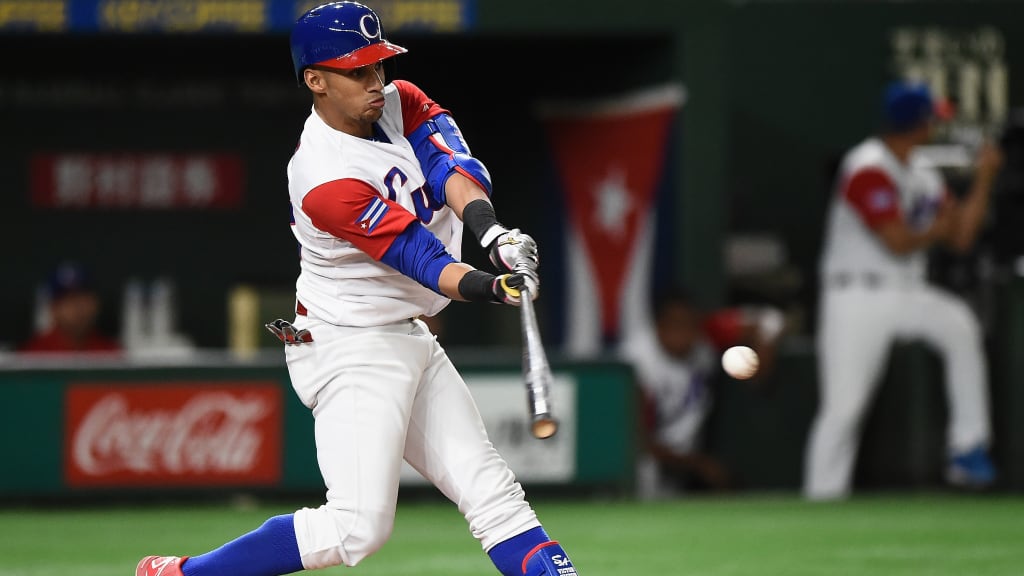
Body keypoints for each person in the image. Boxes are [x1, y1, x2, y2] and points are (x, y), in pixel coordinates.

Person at [135, 3, 576, 576]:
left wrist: (493, 234)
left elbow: (452, 170)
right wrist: (496, 286)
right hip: (348, 343)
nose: (375, 82)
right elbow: (421, 258)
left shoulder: (400, 101)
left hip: (405, 332)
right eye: (356, 71)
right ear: (315, 81)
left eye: (378, 65)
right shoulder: (323, 176)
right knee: (357, 527)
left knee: (495, 496)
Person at [804, 80, 1004, 501]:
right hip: (856, 295)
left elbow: (961, 237)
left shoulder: (922, 173)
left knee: (959, 326)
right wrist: (937, 229)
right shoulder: (867, 167)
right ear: (918, 123)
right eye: (932, 119)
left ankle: (967, 448)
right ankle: (821, 497)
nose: (935, 126)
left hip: (907, 291)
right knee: (844, 408)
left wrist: (984, 179)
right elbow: (895, 240)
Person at [619, 285, 785, 499]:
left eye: (691, 324)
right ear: (658, 326)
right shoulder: (636, 358)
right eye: (676, 325)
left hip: (686, 461)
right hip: (646, 466)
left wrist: (763, 357)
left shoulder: (707, 335)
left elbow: (770, 320)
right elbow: (637, 439)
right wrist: (699, 464)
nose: (685, 333)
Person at [19, 261, 120, 354]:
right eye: (69, 300)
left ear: (96, 303)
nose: (78, 307)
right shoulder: (34, 352)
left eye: (83, 297)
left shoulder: (111, 351)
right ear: (53, 308)